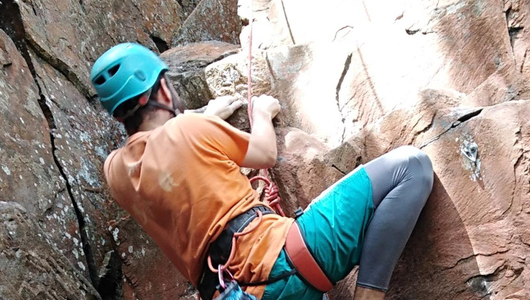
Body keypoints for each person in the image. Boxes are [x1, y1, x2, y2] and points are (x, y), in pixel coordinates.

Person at [92, 43, 434, 300]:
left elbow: (164, 154)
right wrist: (260, 113)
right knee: (411, 166)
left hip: (229, 292)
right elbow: (265, 154)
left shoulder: (116, 174)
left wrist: (204, 119)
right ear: (161, 89)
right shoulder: (190, 129)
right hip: (284, 256)